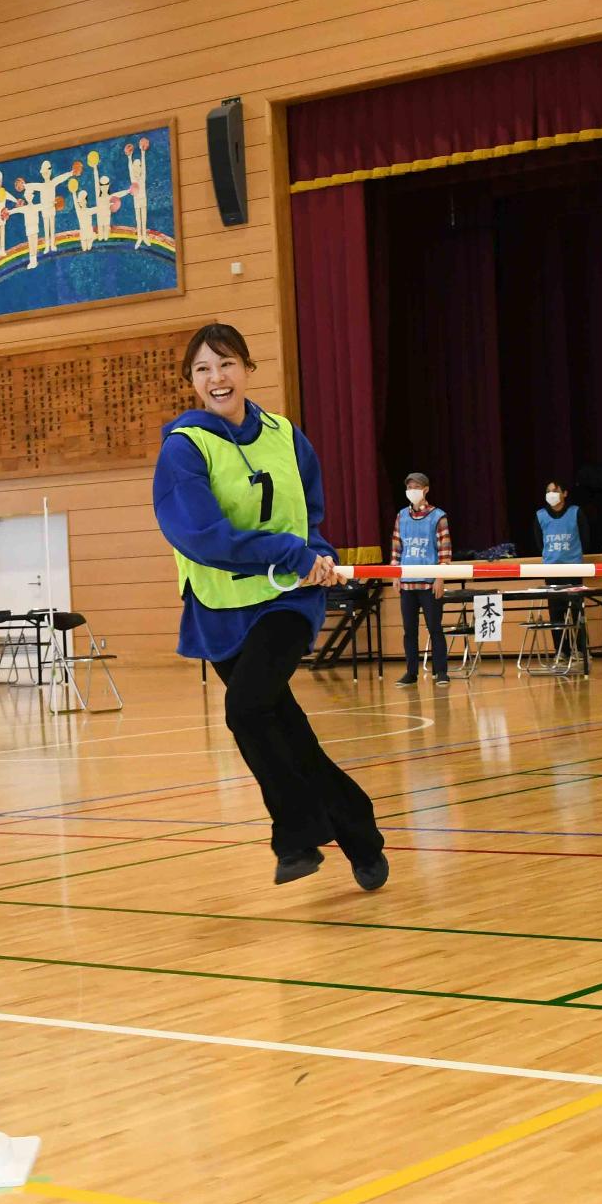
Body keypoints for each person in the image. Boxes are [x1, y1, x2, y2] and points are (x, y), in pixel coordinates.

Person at [153, 321, 388, 890]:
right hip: (220, 606)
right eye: (204, 369)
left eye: (227, 364)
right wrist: (287, 550)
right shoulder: (183, 449)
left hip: (287, 600)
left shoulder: (287, 435)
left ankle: (295, 837)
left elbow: (310, 518)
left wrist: (318, 555)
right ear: (190, 380)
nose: (217, 378)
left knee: (247, 708)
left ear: (249, 370)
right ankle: (359, 833)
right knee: (283, 724)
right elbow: (201, 535)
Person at [390, 471, 451, 687]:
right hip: (408, 583)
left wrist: (440, 578)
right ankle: (411, 672)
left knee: (435, 628)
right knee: (409, 630)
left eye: (416, 487)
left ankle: (441, 671)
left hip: (429, 582)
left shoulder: (438, 516)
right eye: (409, 488)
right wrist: (395, 574)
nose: (411, 491)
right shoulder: (401, 516)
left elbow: (444, 552)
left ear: (425, 489)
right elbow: (397, 547)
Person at [537, 479, 586, 656]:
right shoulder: (540, 515)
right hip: (551, 569)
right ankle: (561, 650)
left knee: (576, 609)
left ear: (564, 493)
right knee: (556, 612)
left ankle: (581, 648)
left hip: (573, 568)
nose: (551, 494)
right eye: (548, 491)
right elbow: (538, 541)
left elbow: (585, 538)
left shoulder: (575, 512)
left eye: (555, 490)